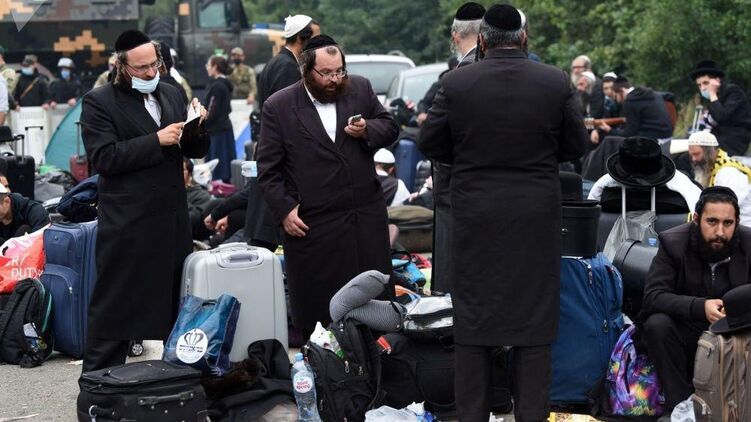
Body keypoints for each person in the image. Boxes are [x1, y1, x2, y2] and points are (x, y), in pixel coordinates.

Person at [418, 5, 587, 421]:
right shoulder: (554, 81)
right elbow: (576, 145)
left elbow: (430, 142)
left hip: (476, 218)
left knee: (473, 321)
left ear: (481, 40)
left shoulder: (456, 83)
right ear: (523, 38)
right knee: (534, 322)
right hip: (534, 218)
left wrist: (469, 158)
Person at [80, 29, 208, 372]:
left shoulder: (170, 91)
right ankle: (99, 384)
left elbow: (190, 149)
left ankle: (176, 380)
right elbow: (103, 158)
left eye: (155, 64)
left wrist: (197, 127)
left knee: (176, 306)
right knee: (116, 309)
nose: (151, 72)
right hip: (129, 224)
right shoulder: (99, 101)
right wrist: (156, 140)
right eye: (142, 68)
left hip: (172, 219)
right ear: (121, 66)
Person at [257, 35, 398, 335]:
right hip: (315, 225)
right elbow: (268, 170)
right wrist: (284, 209)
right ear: (307, 71)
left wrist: (367, 130)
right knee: (322, 315)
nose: (335, 79)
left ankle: (379, 358)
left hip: (363, 220)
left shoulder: (360, 88)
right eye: (326, 73)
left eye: (339, 71)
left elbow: (390, 127)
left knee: (374, 309)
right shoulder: (279, 106)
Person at [641, 186, 751, 417]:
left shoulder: (748, 243)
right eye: (712, 222)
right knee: (657, 324)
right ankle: (681, 409)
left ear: (737, 222)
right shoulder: (673, 243)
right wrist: (700, 307)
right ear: (697, 219)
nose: (719, 231)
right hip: (688, 330)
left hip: (737, 334)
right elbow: (653, 296)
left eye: (728, 223)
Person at [247, 14, 320, 252]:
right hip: (279, 154)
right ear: (301, 38)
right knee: (267, 232)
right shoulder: (287, 68)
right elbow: (286, 116)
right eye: (315, 39)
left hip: (272, 149)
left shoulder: (278, 62)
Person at [430, 1, 485, 295]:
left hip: (458, 181)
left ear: (455, 35)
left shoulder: (457, 77)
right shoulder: (500, 69)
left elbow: (432, 137)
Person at [687, 131, 751, 226]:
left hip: (742, 226)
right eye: (691, 155)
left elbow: (726, 207)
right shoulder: (706, 170)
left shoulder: (730, 173)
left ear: (709, 152)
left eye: (697, 154)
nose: (693, 159)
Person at [689, 60, 751, 156]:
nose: (702, 88)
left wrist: (712, 93)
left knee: (689, 157)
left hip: (734, 141)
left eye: (705, 83)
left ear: (717, 80)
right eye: (699, 85)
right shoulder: (715, 96)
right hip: (718, 138)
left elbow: (722, 117)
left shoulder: (732, 91)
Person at [591, 75, 673, 146]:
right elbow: (670, 96)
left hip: (653, 141)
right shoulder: (652, 93)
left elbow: (629, 134)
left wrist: (610, 130)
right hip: (668, 137)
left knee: (608, 141)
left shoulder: (630, 101)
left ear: (621, 91)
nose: (617, 100)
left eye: (616, 96)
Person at [203, 55, 235, 182]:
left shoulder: (217, 86)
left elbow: (211, 111)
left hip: (216, 131)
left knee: (217, 167)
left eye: (208, 65)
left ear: (215, 67)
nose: (207, 68)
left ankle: (219, 189)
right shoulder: (224, 84)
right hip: (224, 128)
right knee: (226, 165)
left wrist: (202, 122)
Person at [183, 158, 213, 240]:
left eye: (182, 170)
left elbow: (192, 220)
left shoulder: (201, 196)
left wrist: (179, 197)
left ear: (189, 174)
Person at [571, 54, 604, 118]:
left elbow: (596, 113)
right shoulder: (574, 86)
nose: (575, 71)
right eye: (574, 67)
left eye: (578, 67)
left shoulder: (596, 85)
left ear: (588, 68)